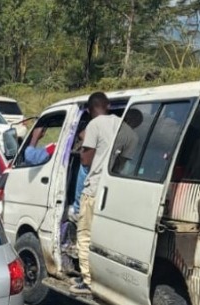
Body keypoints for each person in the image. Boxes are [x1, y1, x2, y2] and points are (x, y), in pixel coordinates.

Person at [70, 92, 137, 295]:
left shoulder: (94, 125)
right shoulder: (127, 130)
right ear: (108, 105)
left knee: (84, 236)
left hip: (93, 190)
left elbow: (86, 161)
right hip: (113, 191)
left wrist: (81, 145)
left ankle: (88, 281)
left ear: (90, 110)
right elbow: (124, 163)